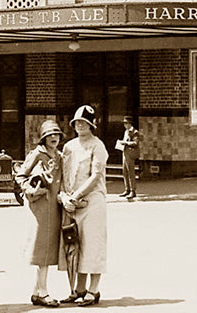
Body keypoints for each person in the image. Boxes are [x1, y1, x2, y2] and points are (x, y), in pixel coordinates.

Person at [59, 105, 108, 307]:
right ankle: (78, 289)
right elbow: (62, 174)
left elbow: (96, 176)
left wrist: (77, 195)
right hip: (71, 203)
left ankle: (93, 289)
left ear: (91, 125)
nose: (79, 125)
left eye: (84, 122)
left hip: (92, 201)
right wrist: (64, 196)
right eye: (77, 122)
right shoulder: (69, 146)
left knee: (93, 244)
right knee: (75, 246)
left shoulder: (98, 146)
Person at [17, 119, 65, 307]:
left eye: (56, 134)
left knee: (47, 250)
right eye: (49, 135)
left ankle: (37, 291)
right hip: (40, 208)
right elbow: (21, 175)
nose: (54, 137)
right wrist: (32, 191)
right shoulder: (37, 154)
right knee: (42, 250)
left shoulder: (59, 156)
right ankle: (43, 292)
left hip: (54, 207)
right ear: (43, 138)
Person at [115, 116, 140, 199]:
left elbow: (135, 143)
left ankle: (133, 190)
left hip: (130, 154)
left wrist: (125, 142)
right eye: (124, 123)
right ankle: (127, 189)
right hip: (125, 153)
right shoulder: (126, 132)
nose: (124, 125)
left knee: (131, 173)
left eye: (126, 123)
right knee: (125, 172)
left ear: (130, 123)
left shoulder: (135, 132)